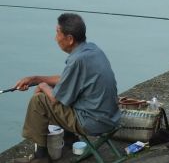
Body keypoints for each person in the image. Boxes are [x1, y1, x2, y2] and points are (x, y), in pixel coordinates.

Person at [13, 13, 120, 163]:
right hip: (111, 117)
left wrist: (42, 86)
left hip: (94, 123)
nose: (55, 38)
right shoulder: (92, 50)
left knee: (39, 100)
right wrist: (35, 79)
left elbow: (56, 99)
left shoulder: (77, 60)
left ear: (69, 39)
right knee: (59, 92)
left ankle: (41, 157)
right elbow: (66, 80)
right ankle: (69, 140)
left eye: (58, 33)